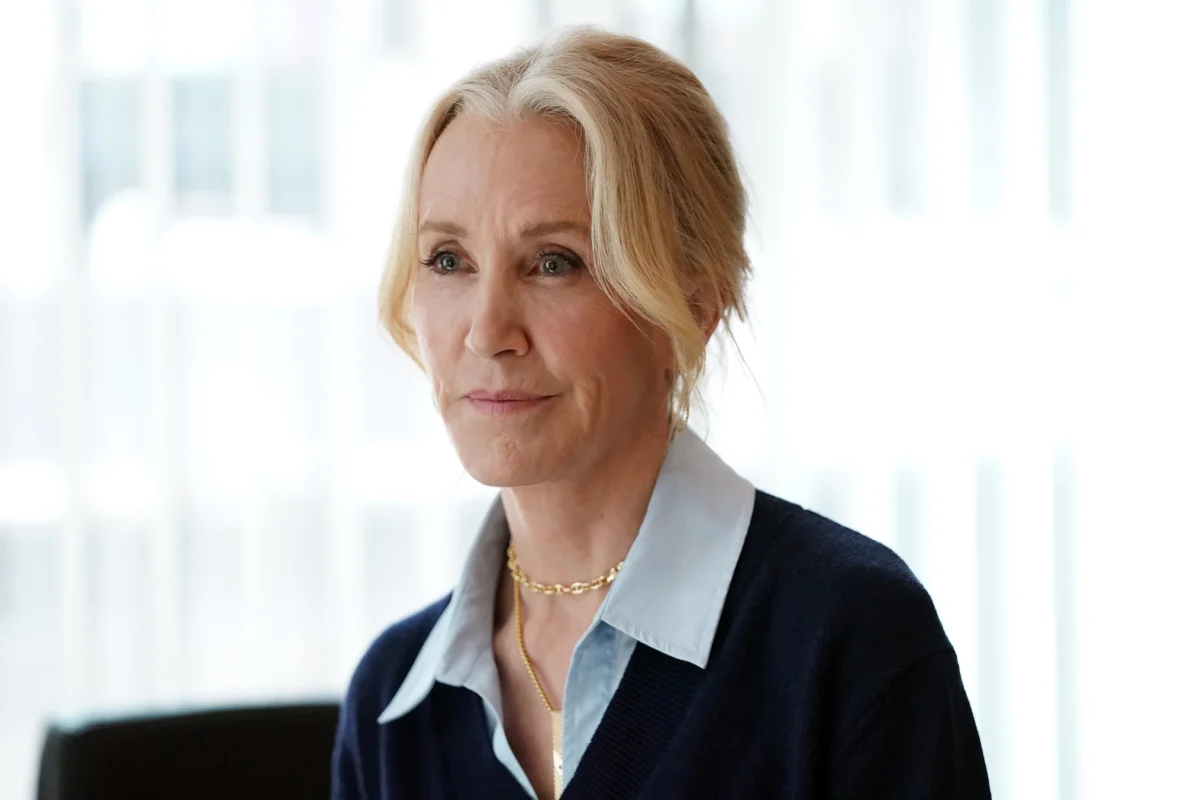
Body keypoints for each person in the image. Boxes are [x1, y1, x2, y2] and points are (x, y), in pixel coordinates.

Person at [332, 26, 990, 800]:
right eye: (448, 260)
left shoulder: (850, 642)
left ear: (693, 307)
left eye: (553, 263)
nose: (485, 331)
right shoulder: (391, 707)